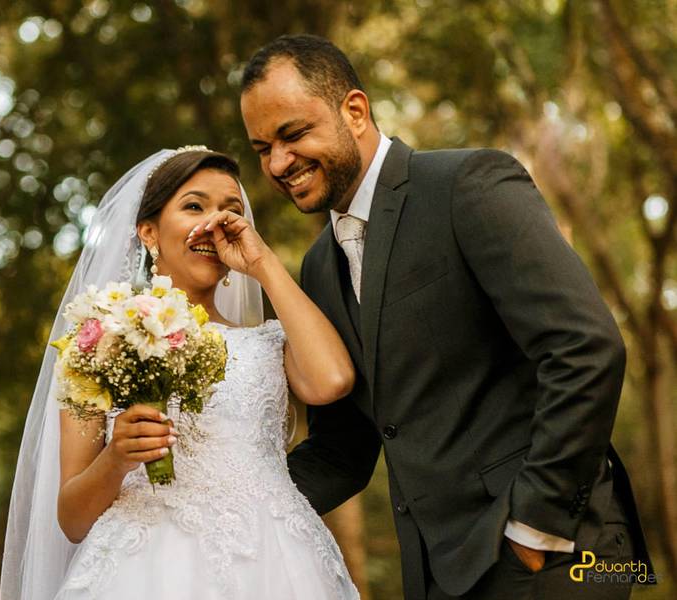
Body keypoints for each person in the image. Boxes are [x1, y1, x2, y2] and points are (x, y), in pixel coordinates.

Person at [239, 34, 654, 600]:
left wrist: (536, 524)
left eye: (293, 134)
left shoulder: (468, 185)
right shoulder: (316, 270)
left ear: (354, 111)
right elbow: (344, 450)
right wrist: (223, 503)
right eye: (263, 148)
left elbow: (586, 348)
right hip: (436, 575)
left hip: (551, 557)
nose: (279, 162)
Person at [0, 147, 361, 599]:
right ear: (148, 231)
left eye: (230, 210)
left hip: (275, 564)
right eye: (194, 206)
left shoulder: (268, 342)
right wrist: (116, 459)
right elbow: (72, 519)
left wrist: (263, 264)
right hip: (140, 570)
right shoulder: (99, 341)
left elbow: (333, 380)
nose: (214, 222)